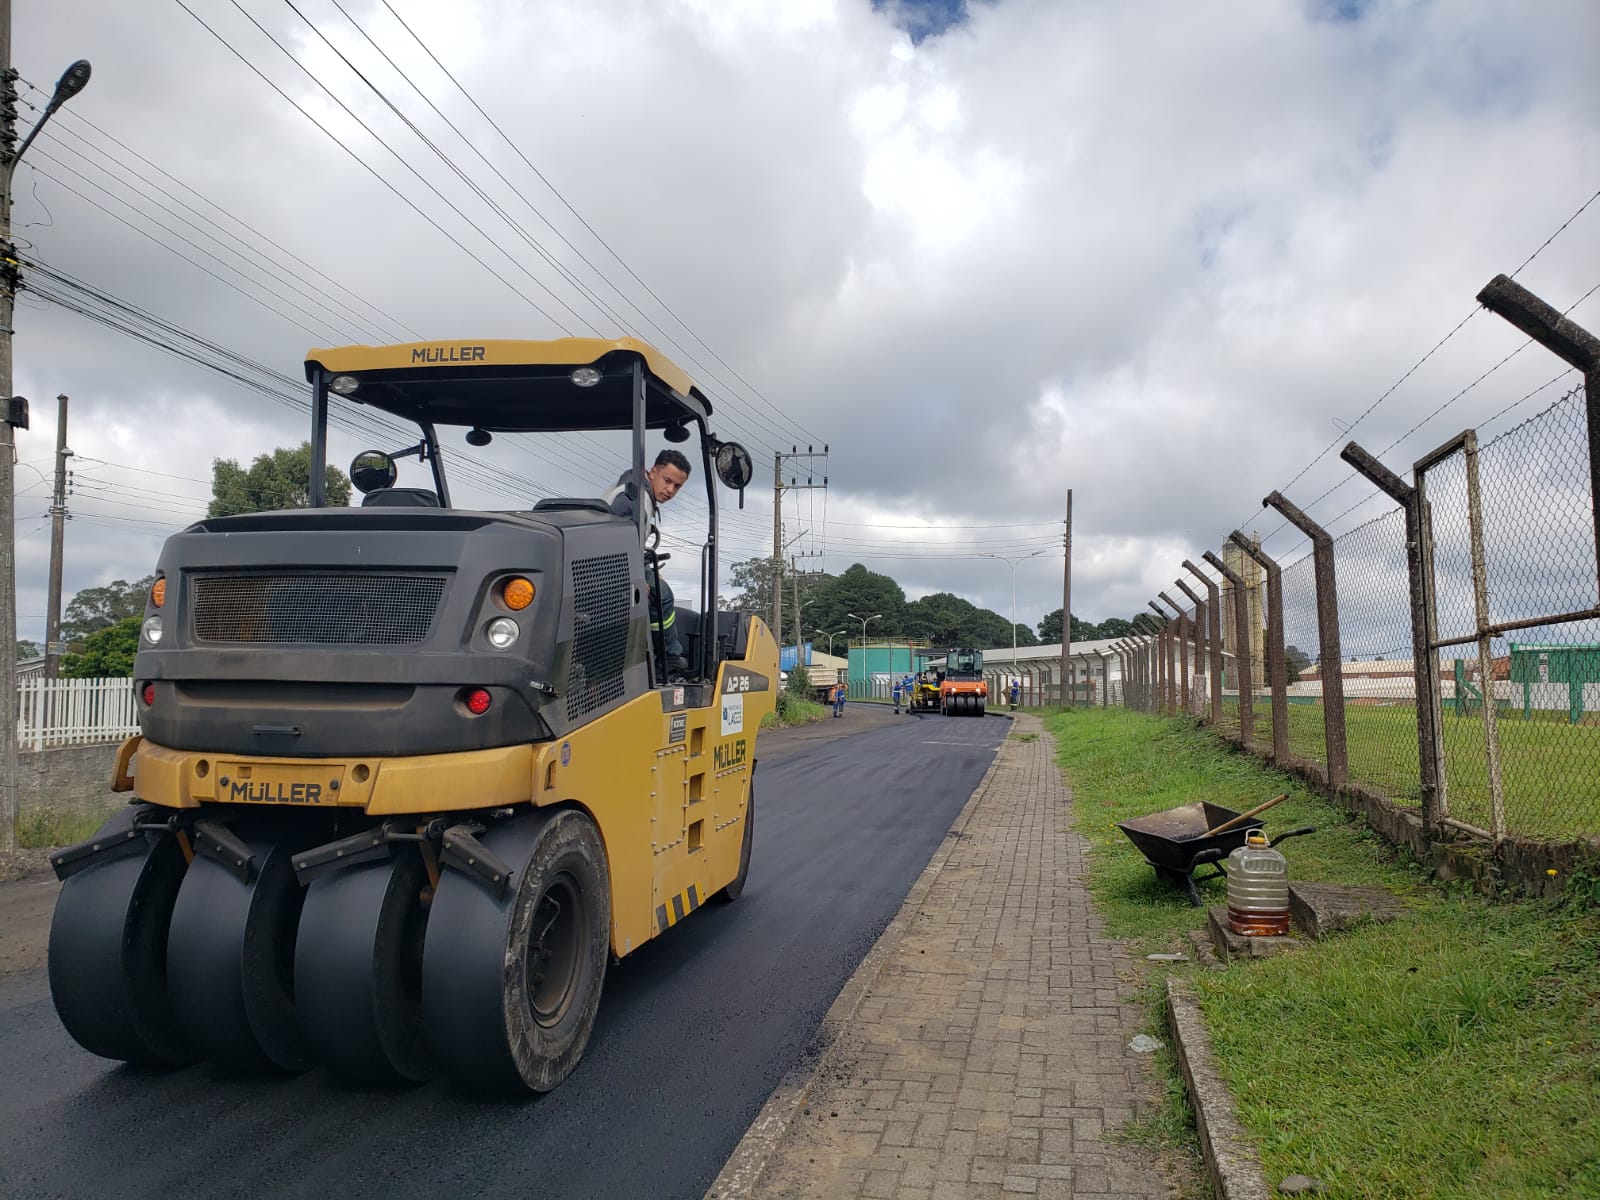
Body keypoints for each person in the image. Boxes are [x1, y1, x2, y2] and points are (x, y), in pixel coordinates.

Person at [604, 449, 692, 675]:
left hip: (609, 562)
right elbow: (615, 540)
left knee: (656, 585)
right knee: (662, 595)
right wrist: (634, 576)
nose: (670, 490)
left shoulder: (632, 488)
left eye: (677, 486)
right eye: (667, 481)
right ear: (653, 472)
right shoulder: (636, 500)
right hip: (608, 567)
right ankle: (669, 655)